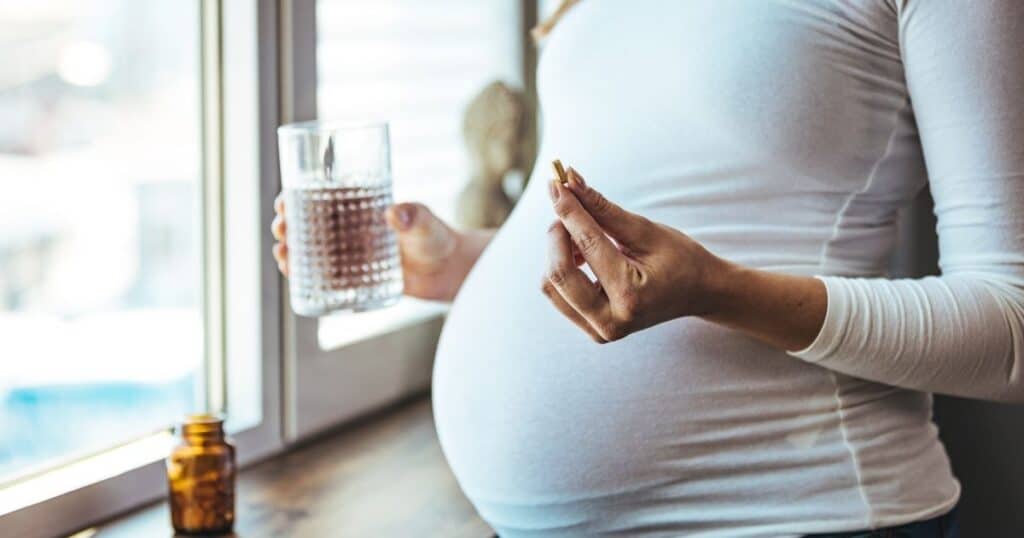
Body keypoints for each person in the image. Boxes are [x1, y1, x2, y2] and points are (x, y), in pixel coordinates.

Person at [273, 1, 1023, 535]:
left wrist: (717, 292)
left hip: (797, 512)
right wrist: (464, 262)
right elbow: (638, 225)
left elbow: (1012, 328)